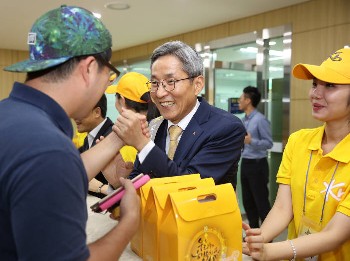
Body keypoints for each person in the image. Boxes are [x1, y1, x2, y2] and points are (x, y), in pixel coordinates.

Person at [0, 5, 141, 260]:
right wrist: (129, 222)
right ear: (88, 68)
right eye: (107, 75)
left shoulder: (12, 116)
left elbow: (55, 169)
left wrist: (117, 137)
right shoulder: (48, 149)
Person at [243, 48, 350, 260]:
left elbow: (336, 234)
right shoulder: (298, 141)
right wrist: (258, 240)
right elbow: (283, 207)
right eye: (314, 84)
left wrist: (271, 251)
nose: (315, 94)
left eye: (330, 85)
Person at [114, 40, 246, 186]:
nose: (159, 93)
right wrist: (115, 174)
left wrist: (142, 144)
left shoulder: (226, 127)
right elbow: (137, 181)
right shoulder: (154, 126)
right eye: (155, 83)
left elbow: (189, 187)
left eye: (171, 82)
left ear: (197, 85)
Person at [238, 86, 273, 228]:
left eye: (241, 99)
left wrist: (251, 141)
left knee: (261, 202)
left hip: (258, 165)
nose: (239, 101)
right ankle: (253, 234)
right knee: (248, 201)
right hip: (246, 163)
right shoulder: (243, 120)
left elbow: (268, 143)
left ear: (248, 100)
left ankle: (267, 237)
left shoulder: (260, 120)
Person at [75, 94, 113, 198]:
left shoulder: (113, 136)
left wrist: (100, 187)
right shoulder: (89, 137)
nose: (74, 117)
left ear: (97, 112)